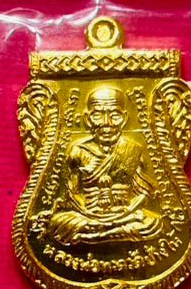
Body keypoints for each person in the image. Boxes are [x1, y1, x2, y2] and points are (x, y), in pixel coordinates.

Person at [49, 86, 162, 245]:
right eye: (97, 115)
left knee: (153, 223)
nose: (106, 123)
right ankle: (108, 234)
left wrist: (128, 210)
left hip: (124, 215)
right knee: (58, 223)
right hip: (87, 215)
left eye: (114, 115)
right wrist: (88, 212)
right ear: (87, 119)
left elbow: (144, 192)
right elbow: (71, 194)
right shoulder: (78, 151)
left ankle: (91, 237)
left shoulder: (132, 150)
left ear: (124, 118)